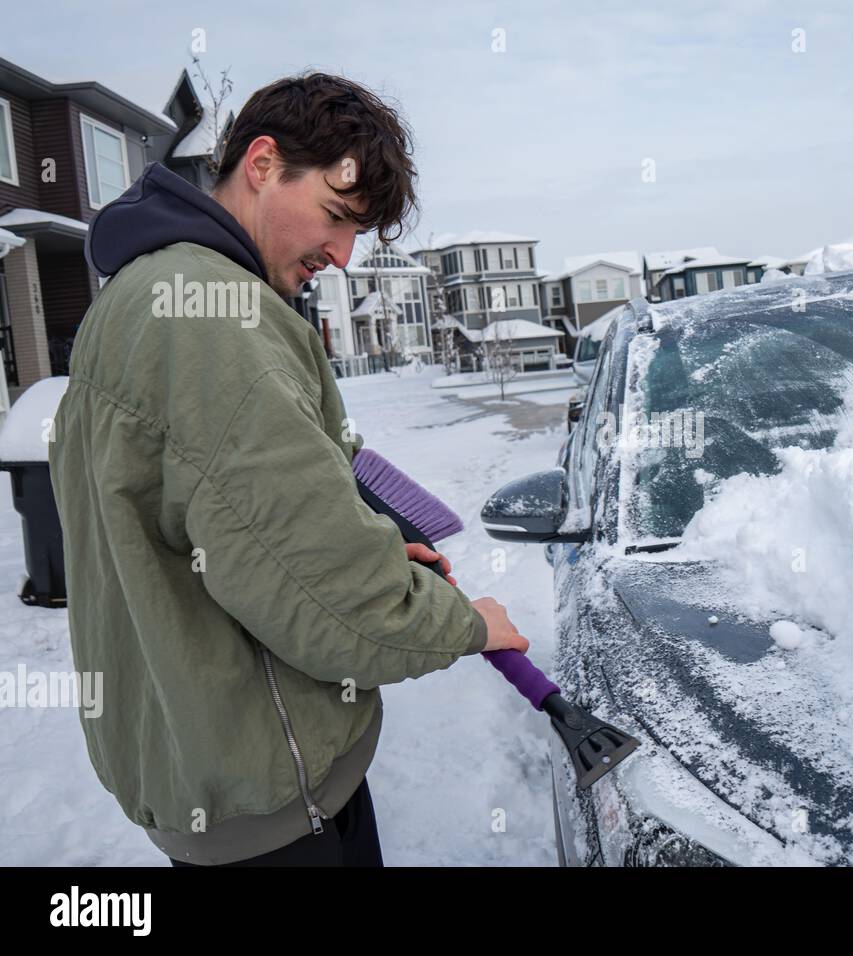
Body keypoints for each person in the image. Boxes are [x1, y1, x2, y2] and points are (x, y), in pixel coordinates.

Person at [49, 72, 528, 867]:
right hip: (270, 802)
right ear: (263, 164)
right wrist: (467, 624)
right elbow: (336, 603)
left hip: (216, 768)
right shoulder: (212, 321)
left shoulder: (148, 297)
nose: (341, 256)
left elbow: (233, 527)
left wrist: (370, 546)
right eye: (337, 217)